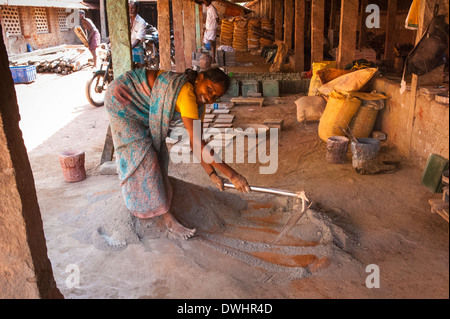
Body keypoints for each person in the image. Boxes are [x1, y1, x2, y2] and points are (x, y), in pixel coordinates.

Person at [104, 67, 250, 240]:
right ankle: (166, 217)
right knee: (143, 156)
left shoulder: (198, 105)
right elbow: (198, 142)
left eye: (215, 96)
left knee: (152, 155)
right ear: (199, 78)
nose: (210, 97)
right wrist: (233, 175)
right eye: (209, 89)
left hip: (140, 109)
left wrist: (212, 174)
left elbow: (195, 144)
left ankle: (157, 198)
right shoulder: (186, 93)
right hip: (122, 97)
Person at [129, 0, 148, 68]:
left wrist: (130, 48)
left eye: (133, 8)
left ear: (137, 9)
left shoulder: (141, 22)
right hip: (127, 46)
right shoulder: (126, 19)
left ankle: (141, 75)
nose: (130, 10)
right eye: (129, 8)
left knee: (140, 68)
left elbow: (138, 39)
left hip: (137, 46)